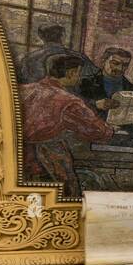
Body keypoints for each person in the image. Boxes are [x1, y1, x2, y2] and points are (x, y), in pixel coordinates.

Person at [19, 54, 115, 195]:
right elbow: (96, 130)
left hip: (16, 159)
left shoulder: (23, 89)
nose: (79, 77)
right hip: (45, 162)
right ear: (71, 73)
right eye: (78, 73)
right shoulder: (68, 101)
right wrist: (110, 130)